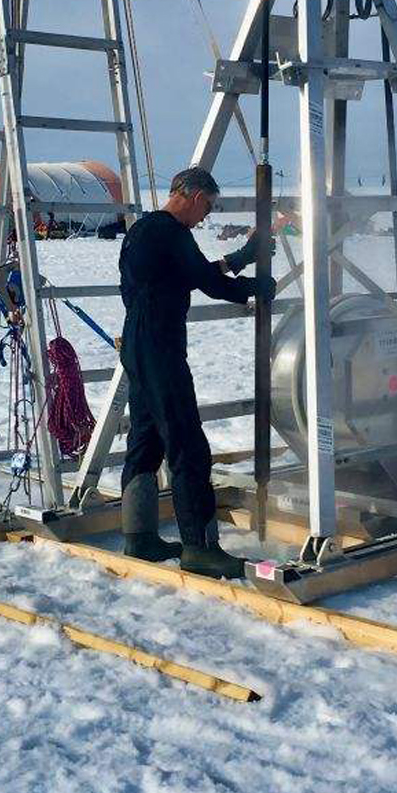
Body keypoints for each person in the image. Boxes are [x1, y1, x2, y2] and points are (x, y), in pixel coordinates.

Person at [118, 166, 273, 578]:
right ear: (188, 194)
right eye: (208, 205)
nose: (206, 216)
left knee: (146, 437)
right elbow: (208, 281)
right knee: (187, 444)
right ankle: (200, 548)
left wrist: (240, 259)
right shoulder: (171, 232)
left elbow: (191, 273)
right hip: (160, 346)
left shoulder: (143, 231)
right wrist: (254, 287)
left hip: (136, 341)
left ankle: (139, 536)